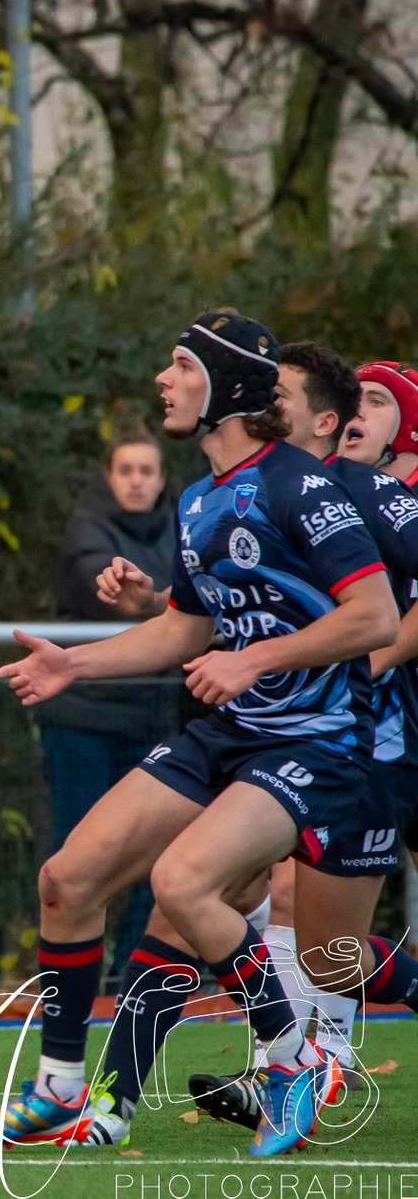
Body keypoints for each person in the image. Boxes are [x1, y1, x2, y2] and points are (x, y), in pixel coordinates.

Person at [0, 313, 398, 1158]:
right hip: (233, 730)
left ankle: (290, 1062)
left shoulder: (305, 485)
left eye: (180, 364)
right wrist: (74, 664)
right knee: (66, 879)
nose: (163, 378)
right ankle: (60, 1090)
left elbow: (371, 616)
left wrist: (253, 656)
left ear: (226, 386)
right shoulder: (197, 499)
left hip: (317, 739)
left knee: (183, 884)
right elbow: (183, 632)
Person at [168, 347, 418, 1133]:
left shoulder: (368, 493)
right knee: (277, 903)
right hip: (315, 738)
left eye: (382, 402)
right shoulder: (260, 490)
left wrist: (372, 651)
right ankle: (299, 1067)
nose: (263, 400)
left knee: (324, 942)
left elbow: (374, 612)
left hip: (380, 738)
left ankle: (322, 1060)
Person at [34, 431, 177, 991]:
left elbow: (200, 592)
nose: (137, 480)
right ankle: (68, 979)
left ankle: (136, 973)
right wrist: (162, 599)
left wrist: (166, 600)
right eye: (127, 470)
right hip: (82, 718)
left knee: (158, 851)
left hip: (151, 714)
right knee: (76, 853)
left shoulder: (186, 524)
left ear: (163, 479)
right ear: (108, 476)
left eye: (147, 470)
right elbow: (111, 589)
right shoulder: (86, 529)